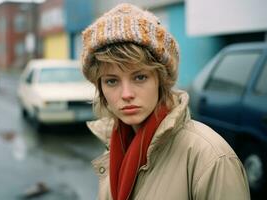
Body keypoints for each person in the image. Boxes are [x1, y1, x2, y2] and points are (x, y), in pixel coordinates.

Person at [80, 3, 250, 200]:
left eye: (140, 77)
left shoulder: (210, 158)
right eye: (111, 81)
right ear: (100, 87)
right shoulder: (115, 147)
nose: (126, 94)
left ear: (161, 79)